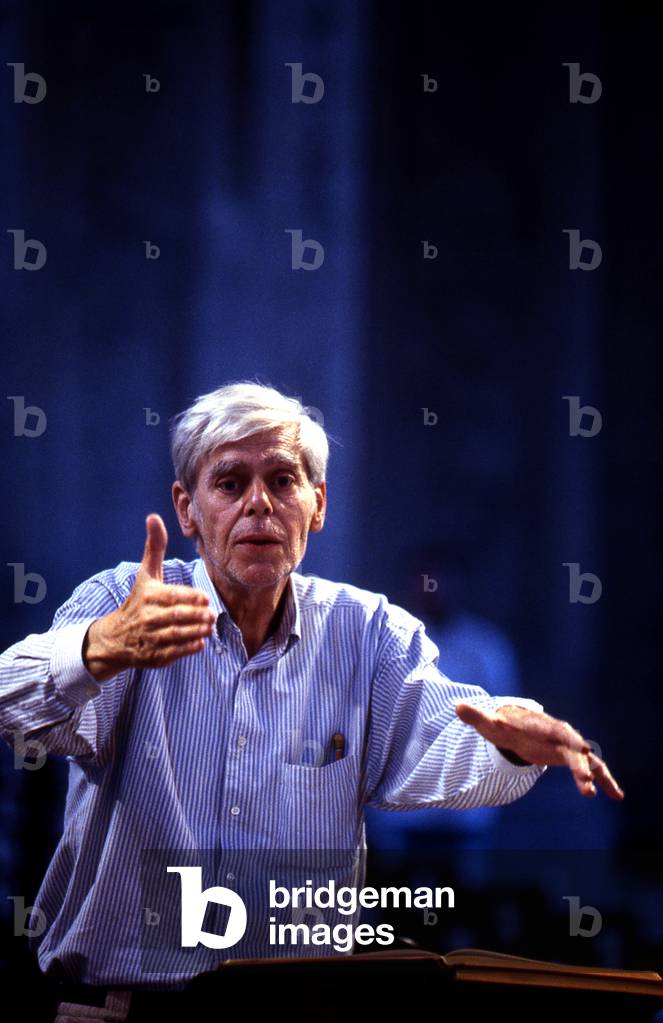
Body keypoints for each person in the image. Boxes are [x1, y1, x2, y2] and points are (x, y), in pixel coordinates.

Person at [0, 382, 623, 1018]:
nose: (258, 505)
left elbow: (440, 745)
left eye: (282, 480)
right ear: (187, 512)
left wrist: (510, 743)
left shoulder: (368, 631)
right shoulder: (124, 606)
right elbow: (8, 702)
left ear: (317, 504)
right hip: (121, 1007)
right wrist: (96, 649)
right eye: (230, 483)